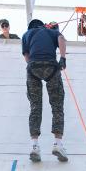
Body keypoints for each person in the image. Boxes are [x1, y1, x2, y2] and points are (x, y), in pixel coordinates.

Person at [22, 18, 68, 162]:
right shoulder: (50, 31)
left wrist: (33, 67)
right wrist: (62, 58)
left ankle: (34, 146)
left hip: (33, 68)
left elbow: (26, 56)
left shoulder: (26, 34)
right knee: (57, 105)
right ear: (42, 25)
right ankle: (58, 144)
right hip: (51, 67)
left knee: (35, 107)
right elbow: (61, 38)